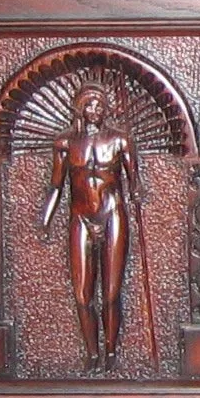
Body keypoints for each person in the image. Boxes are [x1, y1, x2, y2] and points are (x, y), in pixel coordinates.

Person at [39, 86, 141, 370]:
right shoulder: (65, 143)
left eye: (99, 105)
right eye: (89, 105)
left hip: (112, 216)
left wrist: (137, 191)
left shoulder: (120, 140)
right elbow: (56, 186)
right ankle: (91, 353)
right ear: (79, 109)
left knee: (110, 293)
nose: (94, 110)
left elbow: (134, 181)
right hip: (81, 217)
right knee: (83, 295)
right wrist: (46, 218)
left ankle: (110, 352)